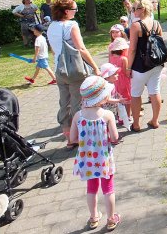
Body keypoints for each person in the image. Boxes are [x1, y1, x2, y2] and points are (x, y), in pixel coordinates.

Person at [47, 0, 100, 148]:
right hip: (74, 70)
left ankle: (69, 138)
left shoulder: (51, 26)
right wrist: (95, 67)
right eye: (74, 9)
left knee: (64, 103)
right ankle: (79, 137)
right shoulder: (71, 25)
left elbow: (53, 49)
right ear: (65, 11)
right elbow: (81, 48)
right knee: (77, 102)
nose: (76, 11)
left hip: (59, 68)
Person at [70, 76, 122, 231]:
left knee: (91, 188)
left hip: (87, 159)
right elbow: (114, 137)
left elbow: (72, 138)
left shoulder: (78, 116)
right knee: (108, 188)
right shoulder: (107, 115)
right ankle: (111, 219)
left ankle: (93, 217)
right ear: (102, 97)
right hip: (104, 159)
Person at [127, 0, 165, 131]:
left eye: (134, 8)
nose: (132, 11)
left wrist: (128, 67)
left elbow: (132, 49)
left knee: (136, 93)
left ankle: (136, 124)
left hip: (140, 65)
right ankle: (155, 121)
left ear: (142, 9)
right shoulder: (156, 23)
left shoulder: (135, 26)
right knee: (155, 91)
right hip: (156, 63)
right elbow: (161, 43)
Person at [107, 37, 133, 126]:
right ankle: (128, 116)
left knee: (118, 98)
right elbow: (126, 73)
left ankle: (120, 118)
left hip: (115, 81)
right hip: (124, 81)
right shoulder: (123, 59)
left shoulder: (111, 58)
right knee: (127, 98)